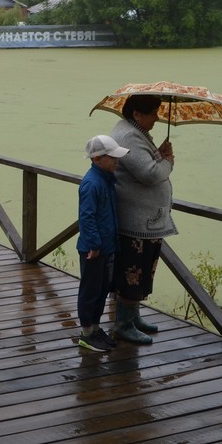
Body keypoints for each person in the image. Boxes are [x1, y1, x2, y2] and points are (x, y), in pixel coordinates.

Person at [110, 93, 176, 345]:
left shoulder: (134, 132)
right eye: (152, 113)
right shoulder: (129, 135)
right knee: (134, 271)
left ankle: (133, 317)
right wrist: (167, 161)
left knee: (141, 270)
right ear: (136, 113)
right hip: (137, 222)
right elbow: (148, 173)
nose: (157, 118)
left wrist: (158, 153)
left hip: (145, 220)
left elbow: (143, 163)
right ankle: (123, 325)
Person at [75, 134, 129, 352]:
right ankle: (86, 333)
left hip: (107, 246)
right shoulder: (91, 183)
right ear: (97, 159)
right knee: (90, 291)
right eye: (112, 158)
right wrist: (94, 245)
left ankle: (96, 329)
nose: (117, 161)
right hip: (93, 249)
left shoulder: (107, 180)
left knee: (102, 289)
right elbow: (86, 217)